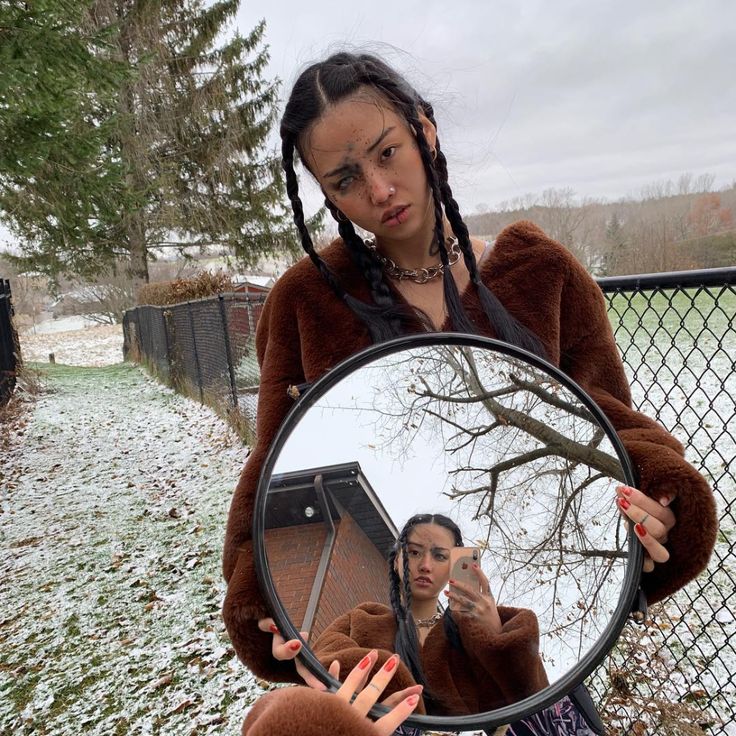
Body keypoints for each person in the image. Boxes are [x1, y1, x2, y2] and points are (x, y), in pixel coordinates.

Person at [222, 51, 718, 732]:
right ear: (325, 193)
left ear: (425, 131)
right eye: (344, 178)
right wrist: (273, 611)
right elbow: (270, 482)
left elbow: (607, 429)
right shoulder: (306, 304)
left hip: (527, 676)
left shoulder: (539, 274)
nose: (378, 188)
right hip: (388, 698)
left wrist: (659, 509)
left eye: (387, 152)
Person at [307, 513, 549, 716]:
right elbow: (321, 675)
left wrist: (496, 636)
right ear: (396, 562)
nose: (425, 565)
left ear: (454, 566)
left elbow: (532, 707)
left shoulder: (469, 636)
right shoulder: (361, 621)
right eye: (413, 552)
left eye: (440, 556)